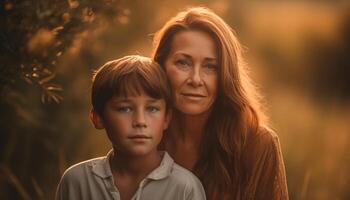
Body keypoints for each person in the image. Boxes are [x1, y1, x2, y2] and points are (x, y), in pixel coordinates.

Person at [152, 7, 289, 200]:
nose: (196, 79)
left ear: (226, 75)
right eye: (183, 63)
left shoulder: (258, 144)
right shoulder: (145, 136)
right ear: (160, 66)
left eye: (210, 67)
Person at [55, 55, 206, 200]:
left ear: (166, 118)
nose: (140, 121)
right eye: (125, 109)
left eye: (152, 109)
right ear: (98, 118)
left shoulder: (185, 187)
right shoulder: (77, 181)